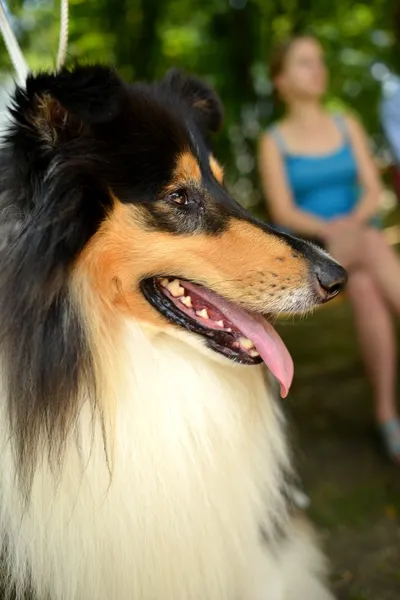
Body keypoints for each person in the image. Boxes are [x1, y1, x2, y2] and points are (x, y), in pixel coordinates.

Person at [259, 34, 400, 463]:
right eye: (305, 63)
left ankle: (386, 417)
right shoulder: (274, 141)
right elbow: (283, 210)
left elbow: (374, 189)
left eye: (319, 60)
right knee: (373, 245)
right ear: (281, 80)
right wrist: (331, 230)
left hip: (359, 238)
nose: (318, 69)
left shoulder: (346, 123)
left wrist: (351, 225)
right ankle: (387, 418)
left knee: (368, 290)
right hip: (316, 251)